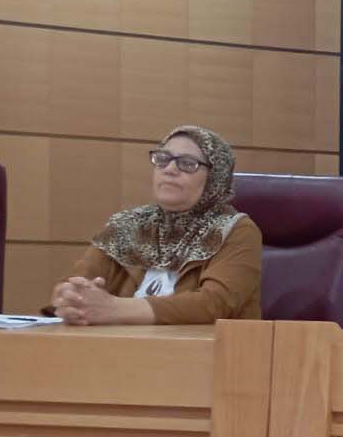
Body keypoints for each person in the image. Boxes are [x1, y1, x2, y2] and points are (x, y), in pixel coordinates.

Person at [49, 125, 261, 325]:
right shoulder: (127, 225)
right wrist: (70, 298)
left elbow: (214, 304)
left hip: (205, 348)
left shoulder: (237, 230)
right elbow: (75, 282)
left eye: (187, 163)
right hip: (120, 345)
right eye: (163, 159)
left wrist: (114, 308)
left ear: (215, 178)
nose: (170, 169)